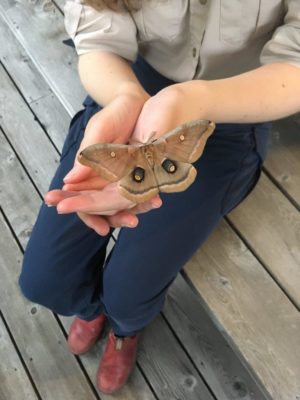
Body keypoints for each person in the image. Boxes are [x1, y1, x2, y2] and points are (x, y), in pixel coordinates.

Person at [19, 0, 300, 395]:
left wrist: (190, 101)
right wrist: (124, 97)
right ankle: (92, 308)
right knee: (43, 281)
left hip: (234, 112)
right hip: (130, 94)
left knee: (130, 290)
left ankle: (123, 327)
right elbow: (97, 35)